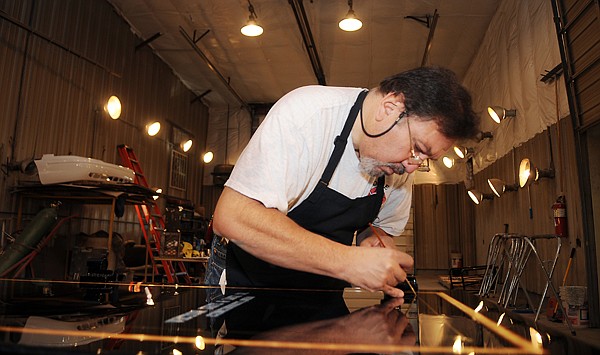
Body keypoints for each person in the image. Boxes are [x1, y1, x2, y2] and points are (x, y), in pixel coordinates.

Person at [205, 66, 480, 298]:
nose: (413, 165)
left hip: (319, 291)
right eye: (417, 147)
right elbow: (233, 217)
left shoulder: (400, 166)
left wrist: (375, 243)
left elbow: (378, 229)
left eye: (424, 158)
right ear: (391, 108)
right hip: (247, 284)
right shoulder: (308, 115)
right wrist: (346, 262)